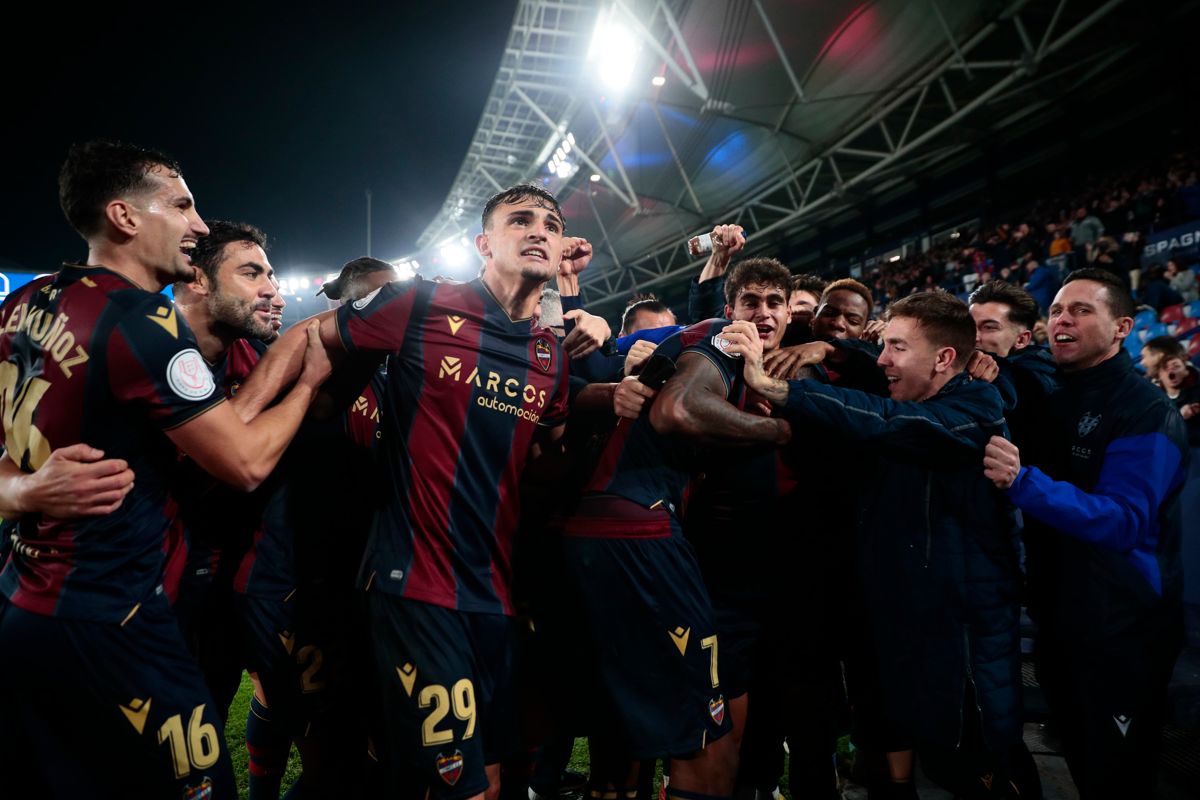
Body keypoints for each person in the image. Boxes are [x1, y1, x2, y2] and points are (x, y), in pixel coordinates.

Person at [0, 140, 329, 797]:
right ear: (125, 217)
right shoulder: (141, 324)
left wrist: (25, 489)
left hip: (26, 599)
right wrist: (306, 381)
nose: (197, 223)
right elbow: (242, 461)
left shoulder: (24, 302)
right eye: (182, 205)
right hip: (117, 614)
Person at [722, 291, 1031, 799]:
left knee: (983, 761)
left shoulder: (975, 409)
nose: (883, 359)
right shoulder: (919, 394)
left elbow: (885, 422)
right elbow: (872, 378)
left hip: (966, 638)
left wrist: (777, 389)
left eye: (896, 348)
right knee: (934, 751)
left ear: (945, 359)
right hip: (920, 622)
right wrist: (830, 349)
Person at [561, 257, 793, 800]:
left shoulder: (715, 341)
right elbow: (679, 411)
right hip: (639, 526)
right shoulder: (721, 339)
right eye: (750, 302)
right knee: (709, 738)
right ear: (730, 308)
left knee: (626, 715)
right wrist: (781, 429)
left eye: (773, 304)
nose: (760, 315)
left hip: (598, 526)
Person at [982, 268, 1189, 799]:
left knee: (1116, 774)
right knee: (1081, 756)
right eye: (1055, 310)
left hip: (1121, 626)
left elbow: (1123, 521)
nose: (1062, 320)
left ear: (1122, 327)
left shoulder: (1146, 410)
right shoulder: (1055, 392)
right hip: (1062, 613)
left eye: (1080, 310)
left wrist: (1022, 482)